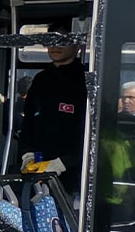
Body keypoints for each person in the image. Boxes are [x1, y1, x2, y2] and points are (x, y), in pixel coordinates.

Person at [20, 35, 87, 192]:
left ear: (77, 46)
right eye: (51, 41)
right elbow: (29, 121)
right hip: (39, 163)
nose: (55, 46)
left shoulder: (85, 80)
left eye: (62, 42)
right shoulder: (41, 79)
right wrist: (27, 154)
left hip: (73, 170)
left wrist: (62, 163)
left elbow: (90, 133)